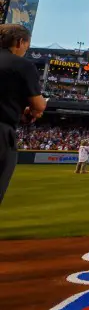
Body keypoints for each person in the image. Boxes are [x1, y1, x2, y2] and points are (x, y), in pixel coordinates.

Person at [0, 24, 46, 203]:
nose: (27, 49)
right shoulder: (22, 65)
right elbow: (39, 105)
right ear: (20, 42)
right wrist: (31, 111)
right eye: (27, 44)